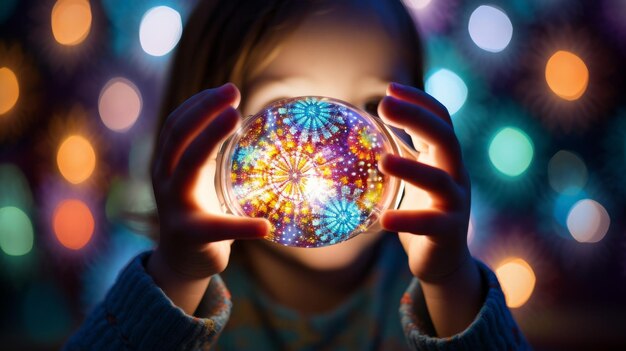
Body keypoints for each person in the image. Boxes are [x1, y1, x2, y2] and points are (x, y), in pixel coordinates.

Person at [64, 0, 530, 349]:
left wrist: (451, 282)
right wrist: (176, 276)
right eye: (284, 112)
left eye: (372, 108)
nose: (336, 150)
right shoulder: (184, 292)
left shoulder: (435, 295)